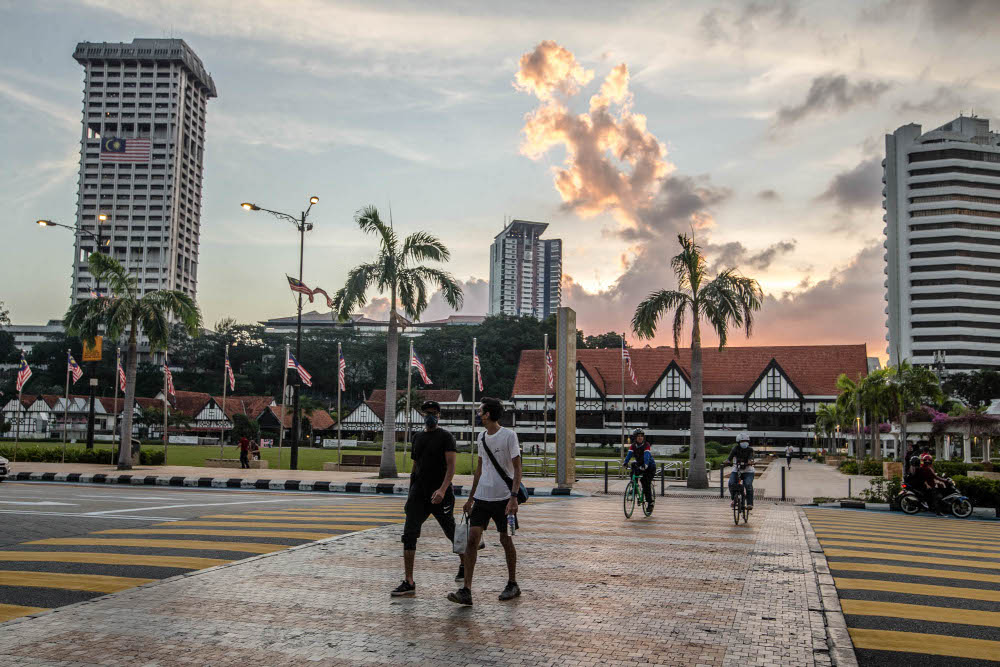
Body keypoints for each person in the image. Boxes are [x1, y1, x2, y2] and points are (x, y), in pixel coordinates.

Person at [450, 397, 522, 607]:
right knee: (472, 539)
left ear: (488, 413)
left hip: (505, 500)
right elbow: (480, 469)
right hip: (482, 497)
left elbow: (517, 469)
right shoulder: (481, 437)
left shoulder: (509, 436)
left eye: (480, 411)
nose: (478, 414)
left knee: (506, 539)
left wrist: (514, 497)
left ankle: (512, 583)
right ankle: (467, 590)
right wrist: (471, 498)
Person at [392, 400, 464, 597]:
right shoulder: (417, 437)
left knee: (451, 531)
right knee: (409, 534)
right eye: (426, 413)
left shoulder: (446, 437)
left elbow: (451, 467)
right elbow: (415, 467)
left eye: (433, 413)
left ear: (439, 415)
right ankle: (409, 580)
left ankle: (465, 564)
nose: (430, 416)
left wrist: (442, 490)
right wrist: (410, 494)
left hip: (441, 494)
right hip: (419, 493)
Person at [623, 428, 655, 511]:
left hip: (650, 466)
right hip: (640, 465)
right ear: (635, 438)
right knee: (633, 466)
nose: (640, 438)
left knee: (645, 482)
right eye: (638, 436)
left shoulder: (646, 444)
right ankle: (635, 487)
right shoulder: (633, 446)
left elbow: (646, 455)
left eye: (641, 436)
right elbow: (629, 454)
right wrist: (625, 462)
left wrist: (646, 464)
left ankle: (650, 503)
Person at [725, 431, 756, 510]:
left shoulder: (750, 450)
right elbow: (729, 458)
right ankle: (734, 499)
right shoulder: (735, 448)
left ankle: (749, 503)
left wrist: (750, 462)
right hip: (737, 470)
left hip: (748, 471)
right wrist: (727, 461)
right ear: (738, 442)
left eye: (746, 441)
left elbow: (751, 459)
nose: (744, 443)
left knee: (748, 484)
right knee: (731, 483)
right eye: (742, 441)